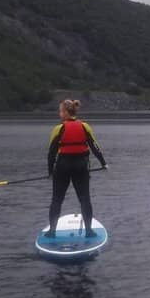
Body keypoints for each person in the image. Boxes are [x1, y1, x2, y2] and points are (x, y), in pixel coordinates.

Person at [45, 99, 107, 237]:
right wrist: (103, 163)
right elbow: (94, 147)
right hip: (81, 167)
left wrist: (50, 171)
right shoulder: (85, 126)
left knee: (57, 200)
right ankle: (89, 231)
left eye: (61, 111)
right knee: (85, 199)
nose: (59, 114)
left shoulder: (58, 129)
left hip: (63, 167)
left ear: (67, 112)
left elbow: (51, 153)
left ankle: (52, 232)